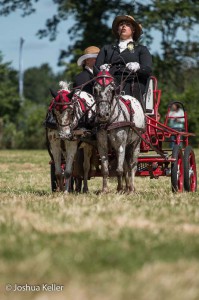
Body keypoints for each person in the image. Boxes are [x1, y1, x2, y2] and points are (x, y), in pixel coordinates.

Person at [95, 15, 152, 103]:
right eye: (121, 24)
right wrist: (101, 70)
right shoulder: (106, 49)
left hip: (132, 84)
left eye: (128, 24)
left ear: (133, 30)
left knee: (137, 87)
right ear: (118, 30)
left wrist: (138, 67)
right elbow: (96, 68)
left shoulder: (141, 49)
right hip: (108, 86)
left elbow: (148, 69)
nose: (123, 26)